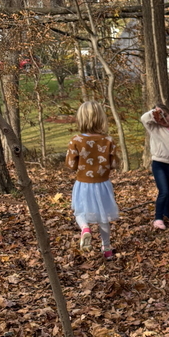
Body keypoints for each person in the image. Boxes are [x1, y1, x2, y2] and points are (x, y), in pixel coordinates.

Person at [65, 100, 120, 260]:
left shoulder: (75, 140)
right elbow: (115, 164)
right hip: (103, 184)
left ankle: (85, 229)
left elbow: (70, 165)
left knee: (80, 211)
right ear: (100, 119)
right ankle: (107, 248)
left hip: (83, 184)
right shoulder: (108, 140)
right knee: (104, 216)